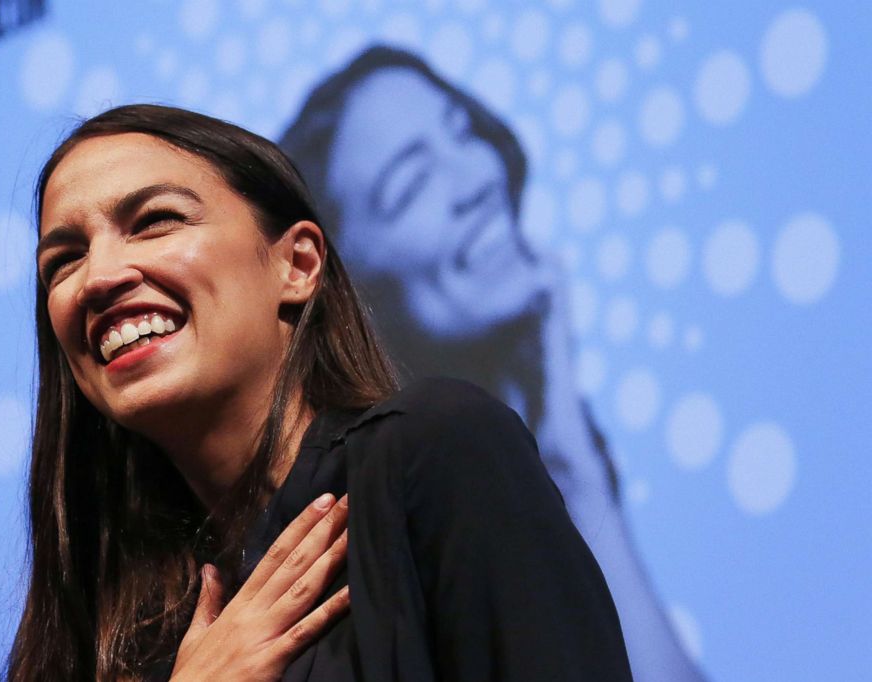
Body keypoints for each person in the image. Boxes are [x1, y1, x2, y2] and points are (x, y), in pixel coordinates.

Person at [6, 103, 632, 681]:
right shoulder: (96, 629)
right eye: (64, 260)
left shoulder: (439, 451)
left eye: (156, 221)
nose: (100, 277)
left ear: (298, 265)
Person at [280, 46, 706, 682]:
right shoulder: (342, 533)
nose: (475, 178)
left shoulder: (548, 448)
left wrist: (576, 466)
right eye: (411, 185)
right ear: (338, 279)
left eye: (461, 132)